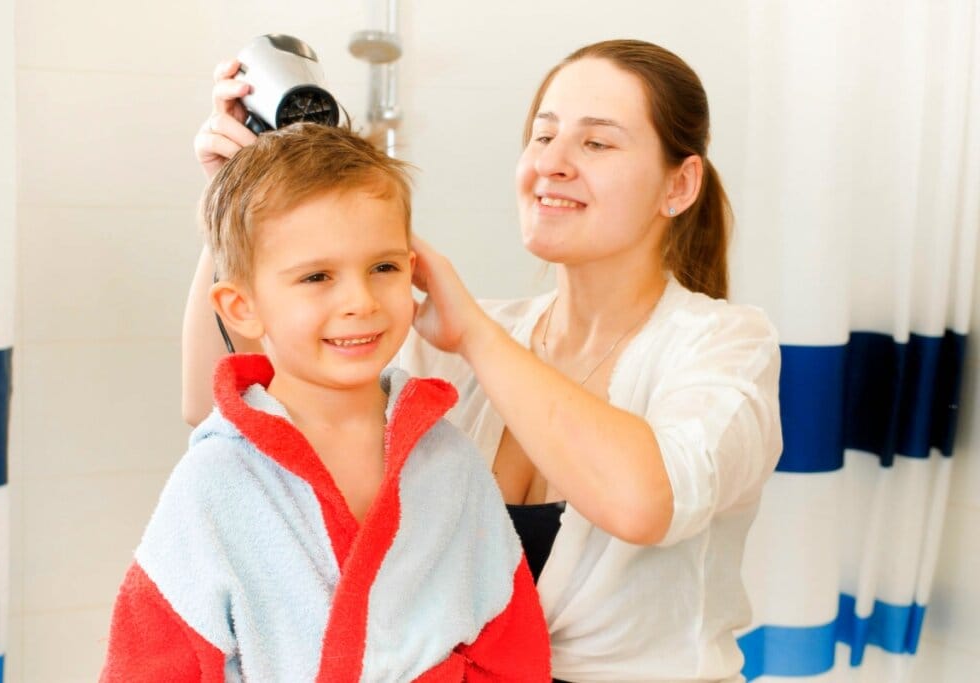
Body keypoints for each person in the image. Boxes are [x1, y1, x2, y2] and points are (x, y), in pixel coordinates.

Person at [187, 39, 783, 683]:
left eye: (597, 143)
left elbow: (644, 503)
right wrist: (237, 207)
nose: (551, 163)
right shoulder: (475, 340)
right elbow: (219, 406)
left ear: (680, 183)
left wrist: (470, 332)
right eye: (542, 136)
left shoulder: (725, 345)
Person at [103, 124, 551, 682]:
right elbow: (150, 665)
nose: (360, 302)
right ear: (241, 307)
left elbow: (512, 646)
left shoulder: (447, 461)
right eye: (317, 276)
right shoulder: (216, 481)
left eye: (383, 268)